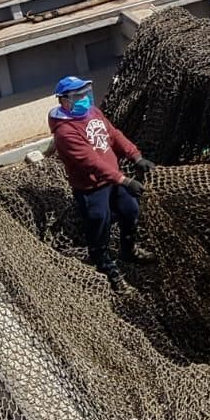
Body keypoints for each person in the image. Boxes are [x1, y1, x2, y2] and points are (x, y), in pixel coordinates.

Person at [47, 76, 155, 291]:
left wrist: (136, 156)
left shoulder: (93, 113)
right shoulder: (65, 132)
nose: (85, 99)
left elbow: (113, 135)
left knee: (130, 210)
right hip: (91, 188)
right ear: (64, 101)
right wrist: (125, 180)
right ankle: (105, 265)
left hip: (114, 179)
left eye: (85, 93)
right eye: (78, 96)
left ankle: (128, 250)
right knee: (99, 224)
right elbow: (91, 163)